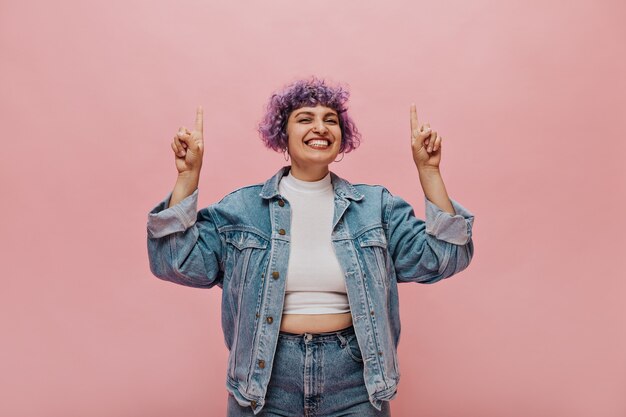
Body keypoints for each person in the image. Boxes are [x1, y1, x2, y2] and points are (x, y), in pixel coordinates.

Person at [146, 77, 475, 416]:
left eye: (330, 120)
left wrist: (430, 173)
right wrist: (187, 177)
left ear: (341, 136)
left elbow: (444, 257)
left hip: (355, 382)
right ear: (282, 135)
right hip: (264, 383)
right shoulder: (242, 209)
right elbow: (174, 262)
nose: (321, 127)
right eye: (305, 118)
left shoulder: (376, 207)